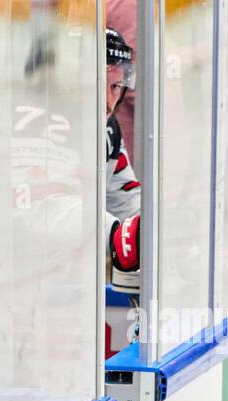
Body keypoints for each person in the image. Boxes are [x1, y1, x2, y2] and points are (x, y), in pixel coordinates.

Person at [105, 28, 142, 297]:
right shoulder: (40, 119)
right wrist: (116, 235)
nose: (110, 100)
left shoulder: (108, 131)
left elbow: (126, 197)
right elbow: (41, 210)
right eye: (104, 84)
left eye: (117, 86)